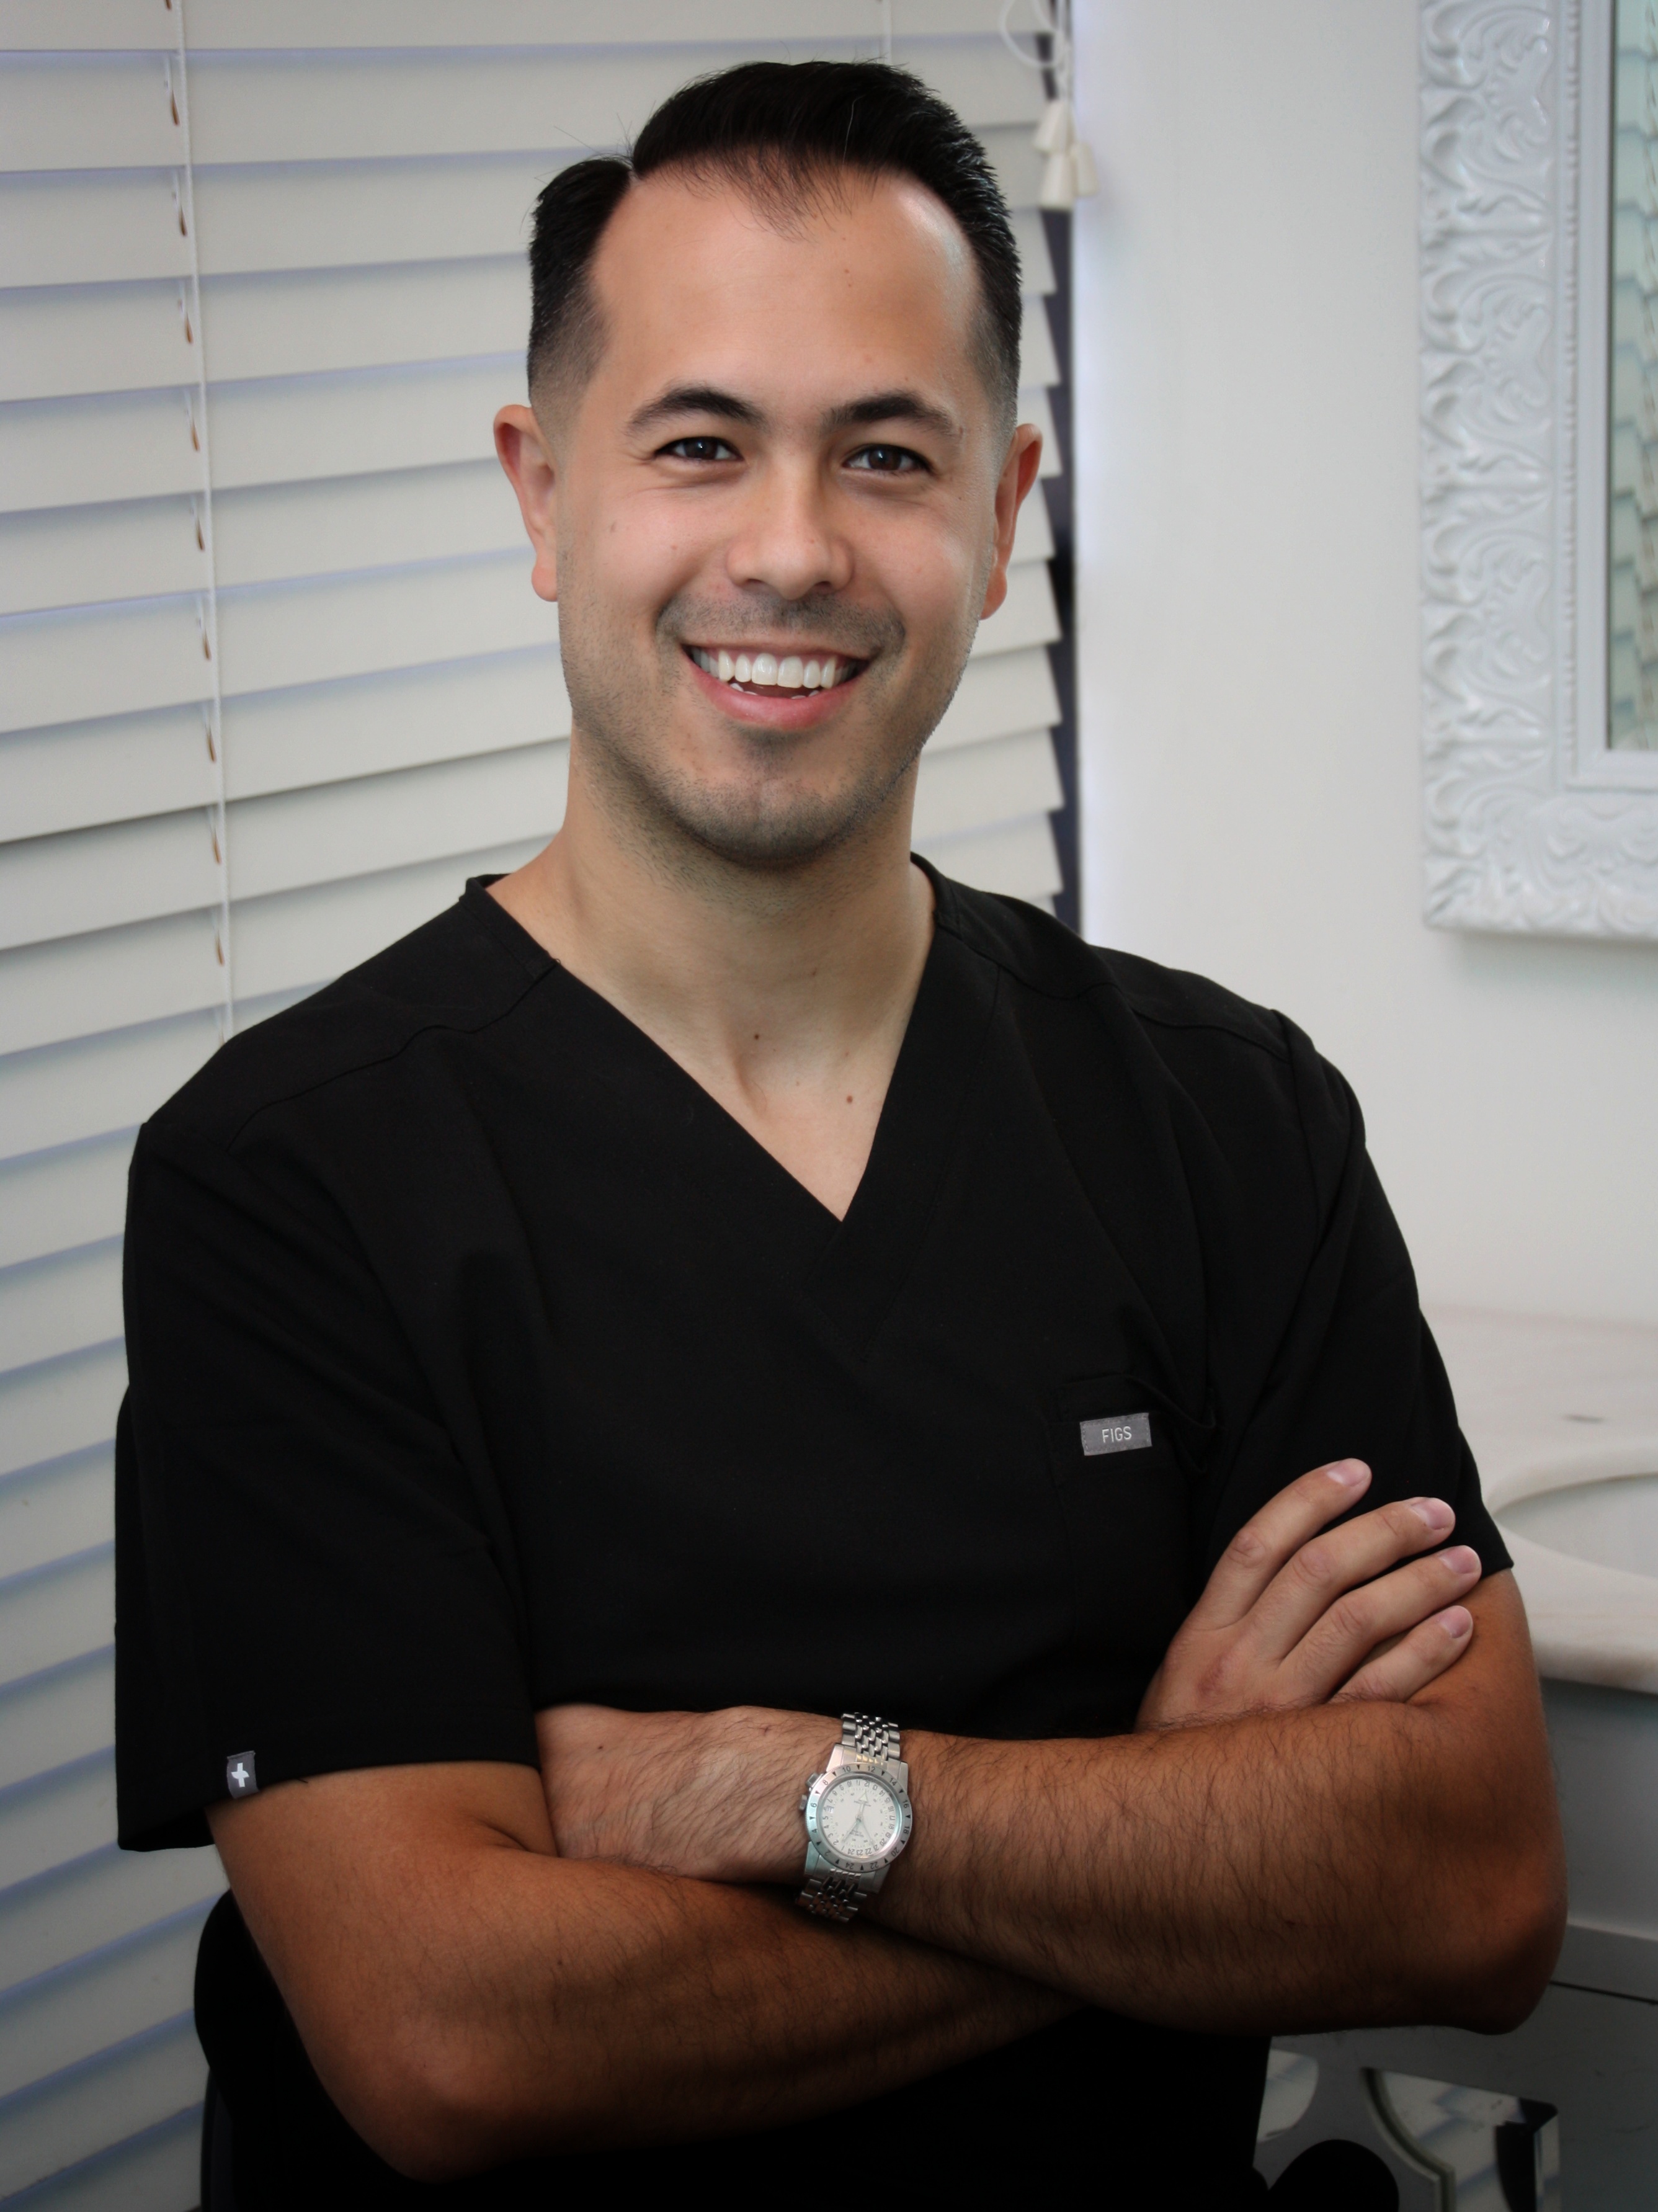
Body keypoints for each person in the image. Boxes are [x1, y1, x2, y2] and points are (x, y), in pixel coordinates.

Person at [114, 60, 1565, 2208]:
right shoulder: (291, 1182)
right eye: (697, 444)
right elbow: (452, 2040)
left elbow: (1465, 1889)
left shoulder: (1223, 1118)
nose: (790, 549)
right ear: (543, 495)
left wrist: (791, 1789)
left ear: (1001, 513)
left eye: (887, 455)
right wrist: (1157, 1813)